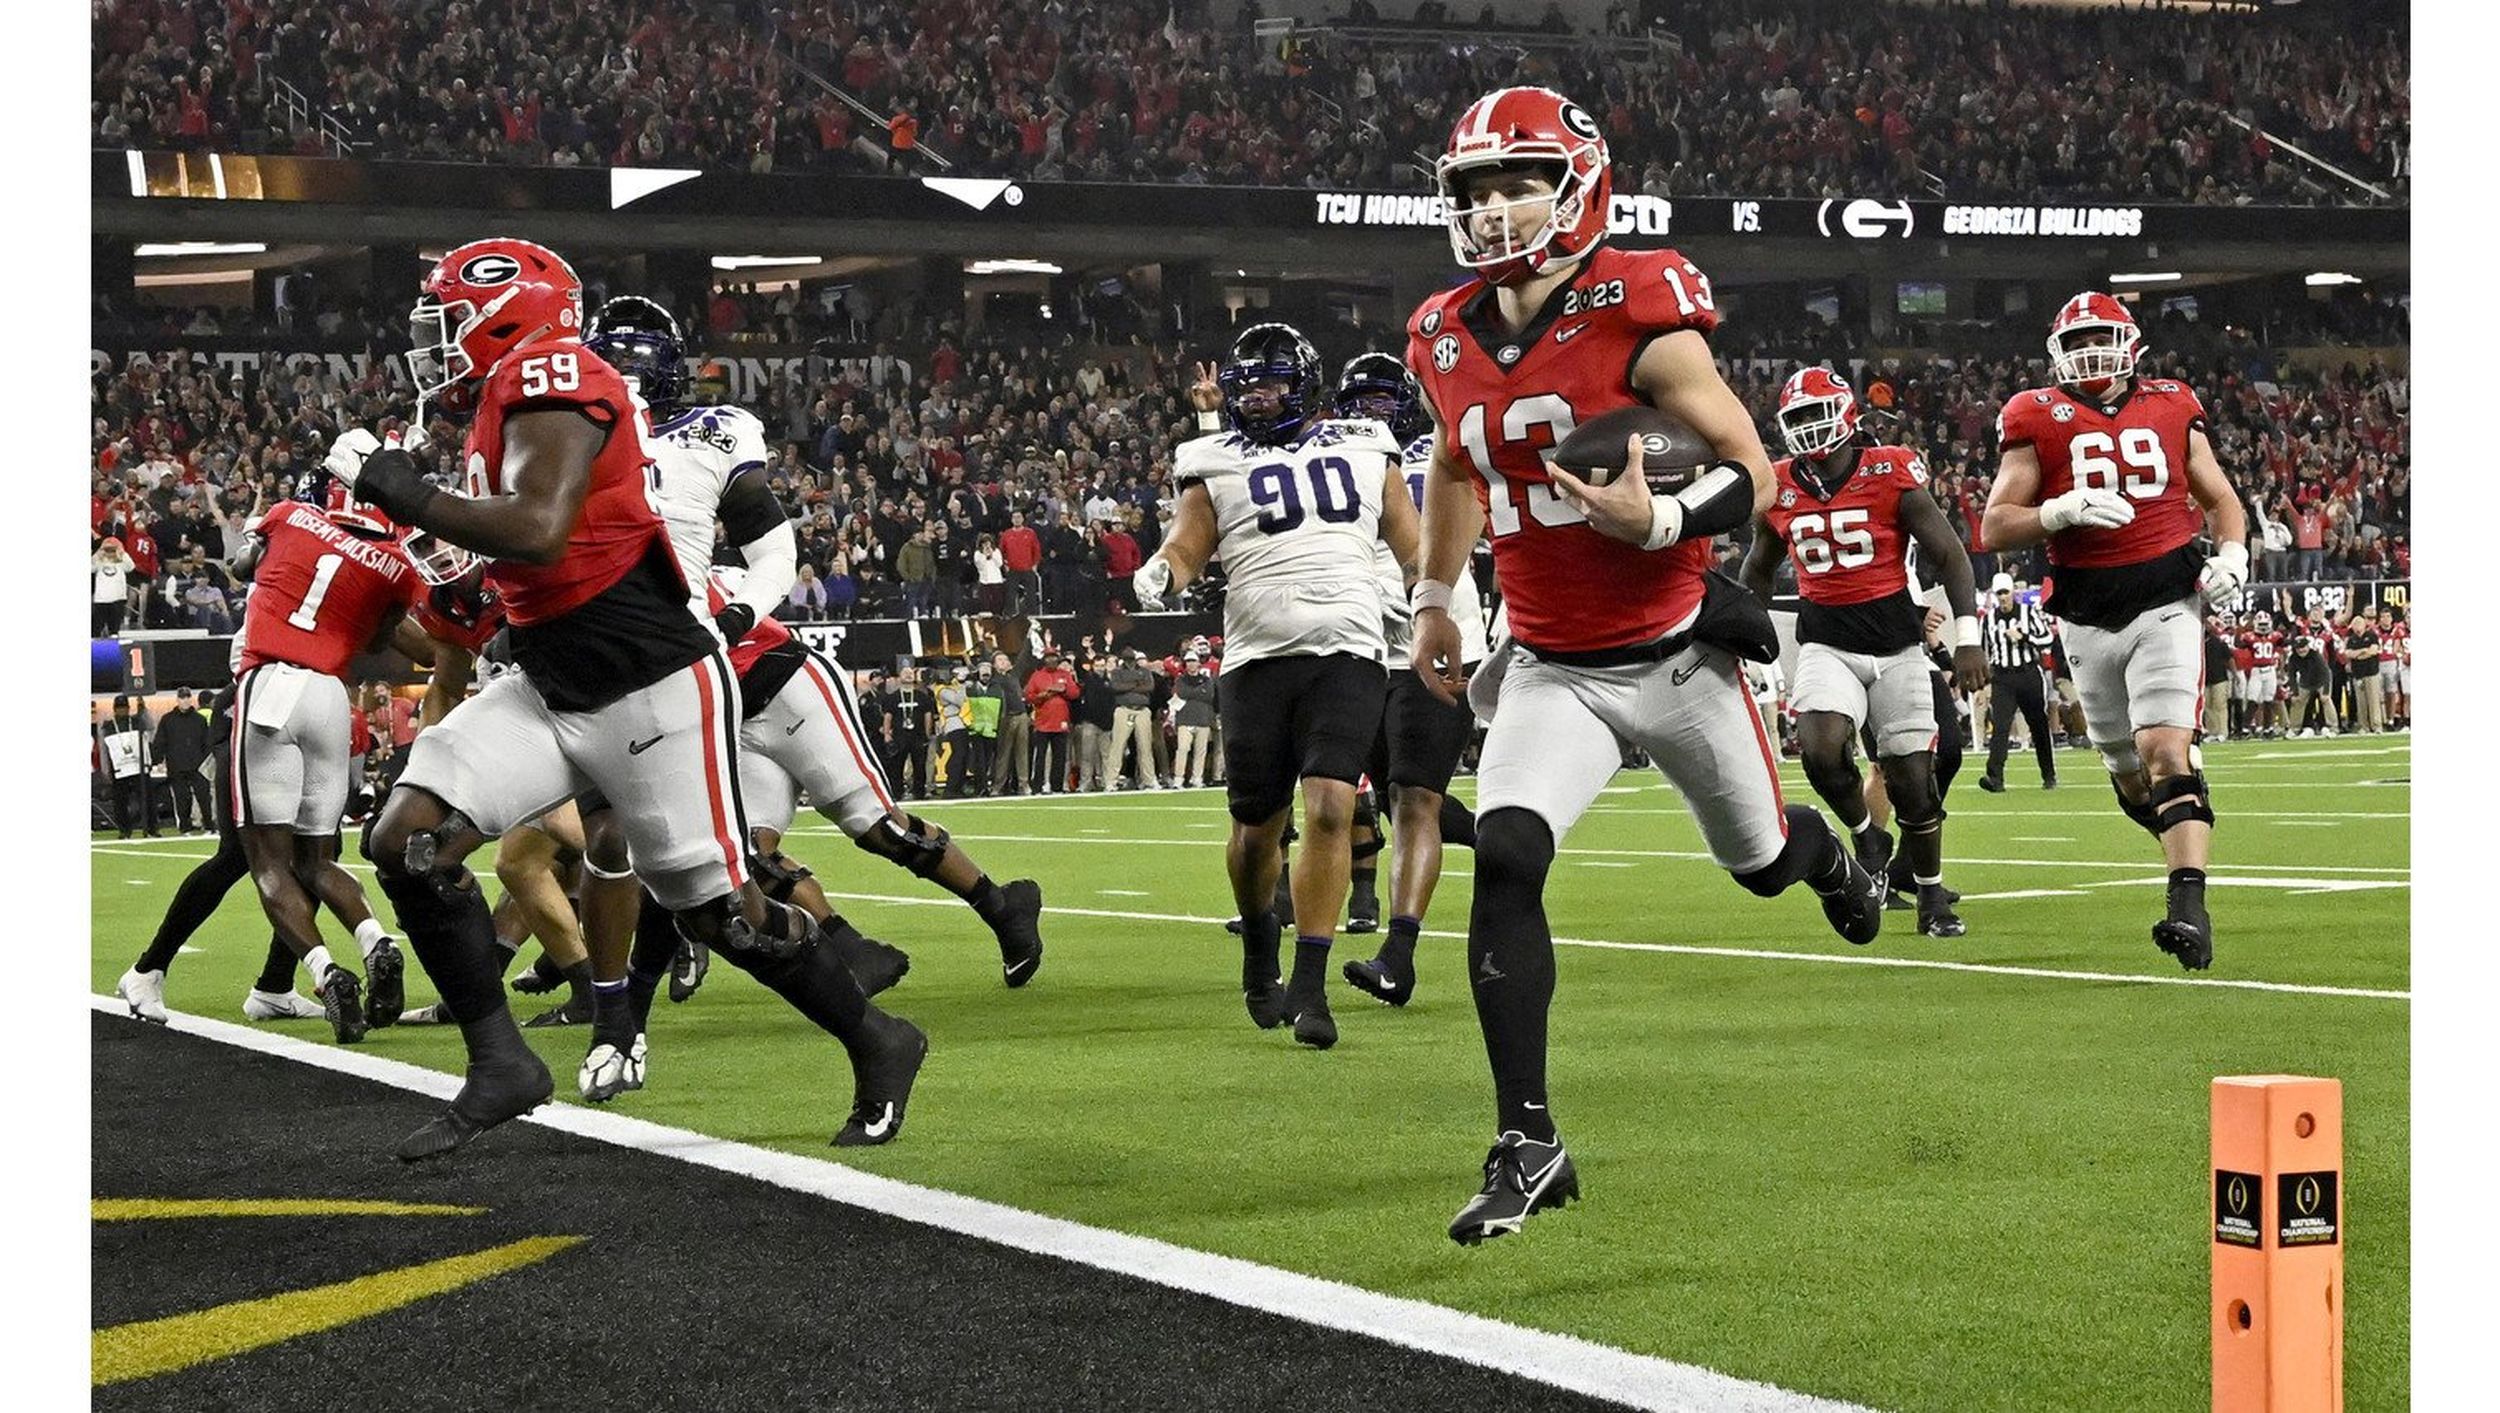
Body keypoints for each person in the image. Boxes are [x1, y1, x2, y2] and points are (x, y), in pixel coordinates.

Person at [1400, 87, 1883, 1244]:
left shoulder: (1640, 301)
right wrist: (1433, 592)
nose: (1494, 208)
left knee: (1763, 865)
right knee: (1507, 855)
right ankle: (1529, 1139)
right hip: (1552, 664)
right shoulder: (1439, 331)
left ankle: (1836, 867)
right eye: (1473, 189)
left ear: (1578, 183)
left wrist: (1660, 524)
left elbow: (1749, 469)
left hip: (1674, 659)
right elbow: (1459, 467)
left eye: (1517, 180)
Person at [328, 237, 925, 1160]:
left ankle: (878, 1038)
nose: (435, 341)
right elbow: (534, 559)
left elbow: (536, 527)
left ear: (508, 311)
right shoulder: (505, 397)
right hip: (551, 676)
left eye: (448, 318)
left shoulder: (558, 371)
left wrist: (407, 494)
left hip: (649, 684)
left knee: (718, 914)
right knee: (407, 838)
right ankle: (501, 1063)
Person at [1135, 321, 1421, 1053]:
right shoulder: (1211, 457)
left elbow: (1413, 544)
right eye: (1247, 387)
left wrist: (1437, 610)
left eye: (1270, 384)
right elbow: (1189, 540)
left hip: (1351, 646)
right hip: (1259, 655)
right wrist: (1165, 570)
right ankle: (1261, 940)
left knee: (1330, 804)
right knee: (1257, 829)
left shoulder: (1366, 444)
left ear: (1305, 386)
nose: (1257, 399)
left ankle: (1312, 983)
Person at [1981, 290, 2251, 971]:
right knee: (2132, 777)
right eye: (2075, 342)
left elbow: (2219, 496)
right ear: (2054, 353)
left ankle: (2187, 906)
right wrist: (2058, 509)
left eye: (2101, 336)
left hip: (2166, 597)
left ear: (2131, 343)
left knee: (2163, 747)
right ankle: (2184, 813)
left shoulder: (2172, 402)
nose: (2089, 352)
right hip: (2084, 612)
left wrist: (2234, 554)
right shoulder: (2035, 414)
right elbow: (1994, 525)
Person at [1742, 368, 1987, 939]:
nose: (1807, 428)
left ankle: (1931, 897)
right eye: (1796, 419)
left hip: (1899, 647)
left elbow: (1950, 554)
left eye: (1815, 414)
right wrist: (1745, 634)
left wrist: (1969, 636)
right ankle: (1865, 834)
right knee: (1821, 751)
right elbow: (1756, 567)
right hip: (1827, 642)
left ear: (1848, 414)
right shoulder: (1778, 484)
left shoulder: (1891, 469)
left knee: (1914, 783)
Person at [218, 477, 424, 1043]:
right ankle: (376, 942)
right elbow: (381, 640)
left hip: (272, 683)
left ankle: (325, 973)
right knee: (319, 858)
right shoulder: (395, 562)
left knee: (269, 863)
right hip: (331, 696)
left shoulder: (288, 514)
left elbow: (241, 565)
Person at [1332, 352, 1487, 1003]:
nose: (1371, 411)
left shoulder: (1444, 451)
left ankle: (1399, 954)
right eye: (1360, 399)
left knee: (1414, 798)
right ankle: (1491, 835)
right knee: (1398, 796)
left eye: (1382, 397)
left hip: (1438, 641)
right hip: (1362, 652)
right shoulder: (1332, 464)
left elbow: (1477, 518)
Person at [1976, 574, 2056, 790]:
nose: (2003, 598)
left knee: (2038, 726)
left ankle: (2048, 774)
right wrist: (1982, 685)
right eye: (1999, 593)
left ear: (2013, 593)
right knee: (2000, 726)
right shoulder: (1988, 620)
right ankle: (1995, 778)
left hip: (2028, 673)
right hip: (2002, 677)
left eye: (2006, 592)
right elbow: (1983, 652)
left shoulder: (2028, 613)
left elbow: (2048, 638)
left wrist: (2024, 637)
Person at [154, 687, 214, 834]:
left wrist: (207, 761)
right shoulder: (168, 720)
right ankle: (185, 827)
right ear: (178, 699)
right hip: (177, 765)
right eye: (182, 697)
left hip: (198, 765)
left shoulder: (199, 719)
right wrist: (158, 760)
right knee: (182, 798)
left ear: (190, 699)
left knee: (204, 797)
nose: (185, 700)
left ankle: (209, 826)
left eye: (187, 697)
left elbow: (206, 742)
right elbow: (160, 741)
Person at [99, 696, 156, 838]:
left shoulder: (137, 721)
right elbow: (104, 749)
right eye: (119, 708)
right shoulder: (108, 725)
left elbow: (150, 727)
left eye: (124, 707)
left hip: (138, 766)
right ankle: (124, 830)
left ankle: (152, 828)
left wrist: (143, 708)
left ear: (129, 708)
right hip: (119, 769)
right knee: (120, 801)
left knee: (147, 798)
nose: (122, 710)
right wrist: (106, 769)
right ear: (114, 710)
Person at [1107, 649, 1163, 789]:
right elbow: (1116, 687)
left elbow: (1150, 687)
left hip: (1142, 709)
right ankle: (1111, 781)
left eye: (1132, 659)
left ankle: (1149, 779)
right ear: (1123, 660)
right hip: (1124, 709)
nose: (1130, 662)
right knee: (1117, 746)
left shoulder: (1144, 672)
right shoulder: (1117, 672)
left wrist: (1128, 687)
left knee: (1145, 746)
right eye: (1127, 659)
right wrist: (1136, 685)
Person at [1024, 649, 1076, 791]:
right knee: (1040, 756)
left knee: (1060, 757)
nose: (1051, 660)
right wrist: (1044, 694)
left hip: (1061, 722)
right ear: (1044, 660)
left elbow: (1075, 693)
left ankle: (1057, 787)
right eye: (1048, 658)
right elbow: (1028, 696)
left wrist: (1063, 690)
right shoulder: (1037, 676)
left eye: (1053, 657)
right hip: (1042, 722)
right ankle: (1037, 786)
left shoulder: (1064, 675)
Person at [1172, 653, 1218, 787]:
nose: (1191, 664)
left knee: (1201, 751)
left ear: (1199, 663)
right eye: (1188, 661)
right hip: (1185, 719)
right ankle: (1178, 778)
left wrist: (1192, 693)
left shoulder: (1207, 680)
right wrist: (1199, 692)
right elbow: (1182, 693)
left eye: (1194, 661)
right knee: (1182, 749)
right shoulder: (1181, 680)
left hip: (1203, 719)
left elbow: (1209, 695)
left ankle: (1197, 777)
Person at [94, 537, 134, 635]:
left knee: (114, 630)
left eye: (112, 550)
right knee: (96, 629)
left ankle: (114, 647)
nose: (110, 552)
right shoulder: (99, 562)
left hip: (117, 599)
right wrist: (97, 554)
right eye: (107, 550)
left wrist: (122, 553)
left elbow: (131, 567)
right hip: (101, 600)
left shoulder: (122, 563)